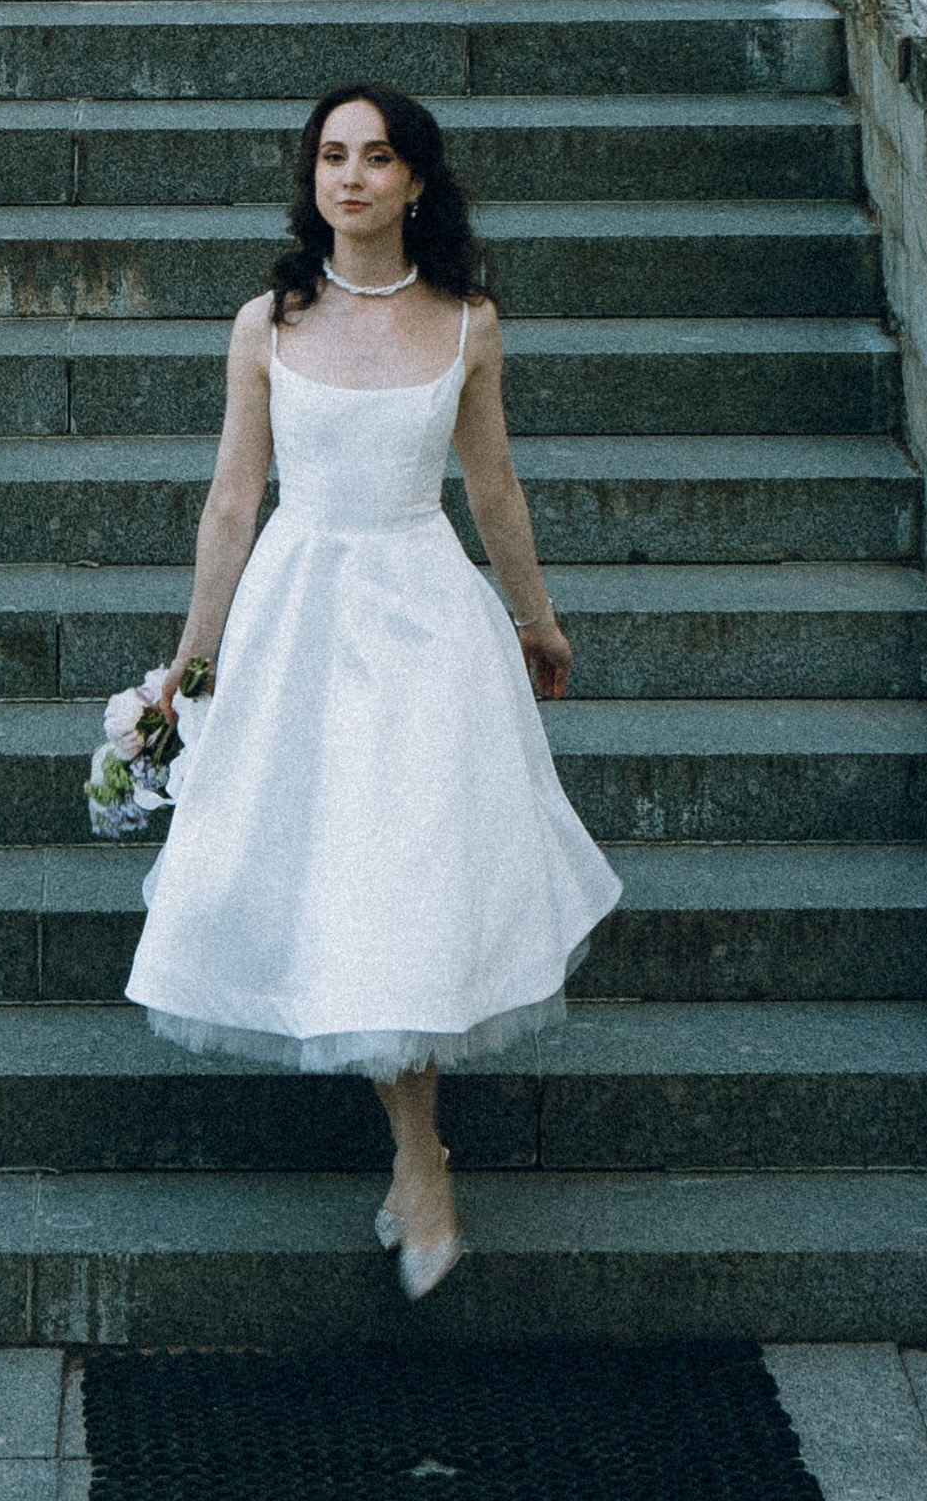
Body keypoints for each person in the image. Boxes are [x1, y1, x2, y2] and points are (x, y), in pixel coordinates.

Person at [126, 82, 622, 1300]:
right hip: (303, 618)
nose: (350, 177)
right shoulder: (266, 325)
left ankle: (419, 1165)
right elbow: (234, 500)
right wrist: (189, 664)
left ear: (413, 181)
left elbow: (492, 488)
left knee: (405, 874)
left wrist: (535, 620)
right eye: (332, 157)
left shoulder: (466, 324)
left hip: (424, 624)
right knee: (347, 877)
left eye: (377, 157)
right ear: (314, 179)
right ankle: (421, 1163)